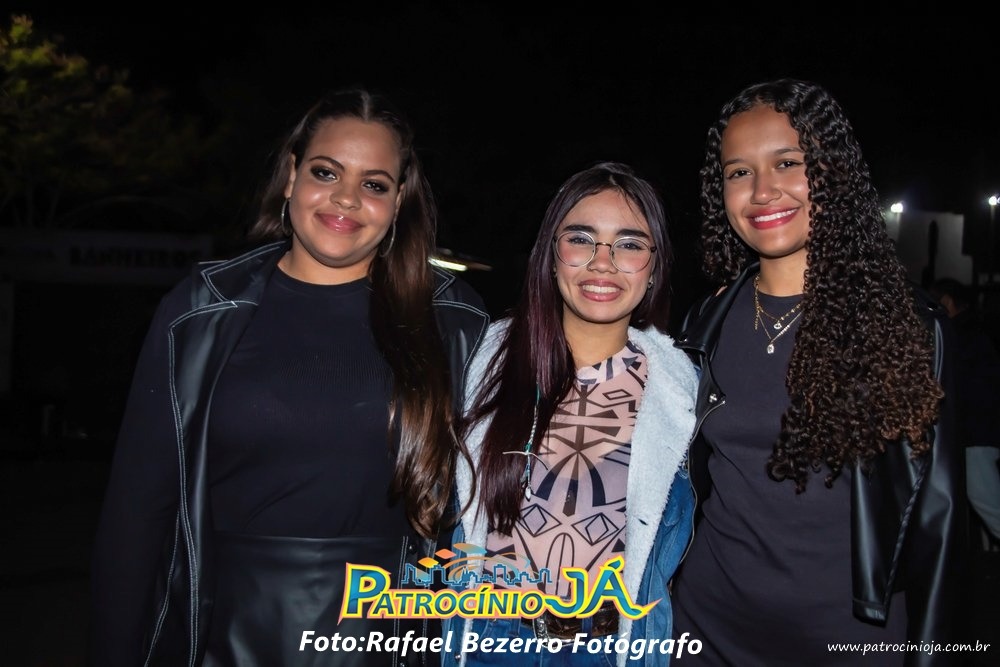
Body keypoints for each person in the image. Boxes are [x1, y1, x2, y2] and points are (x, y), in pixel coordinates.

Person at [89, 87, 490, 666]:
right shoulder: (199, 311)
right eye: (326, 172)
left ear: (399, 200)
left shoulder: (453, 319)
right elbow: (137, 514)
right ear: (291, 176)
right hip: (220, 635)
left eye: (375, 184)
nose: (346, 198)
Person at [670, 79, 963, 666]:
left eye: (787, 163)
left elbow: (938, 523)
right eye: (738, 172)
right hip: (704, 630)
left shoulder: (903, 326)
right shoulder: (706, 322)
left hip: (850, 641)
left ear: (832, 171)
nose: (762, 190)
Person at [442, 161, 699, 667]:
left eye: (629, 244)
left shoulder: (683, 388)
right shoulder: (482, 359)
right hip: (490, 640)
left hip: (611, 647)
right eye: (581, 239)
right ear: (551, 255)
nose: (603, 263)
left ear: (654, 267)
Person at [931, 277, 1000, 543]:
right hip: (979, 430)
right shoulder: (973, 332)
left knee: (986, 501)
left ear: (947, 301)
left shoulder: (958, 335)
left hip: (975, 432)